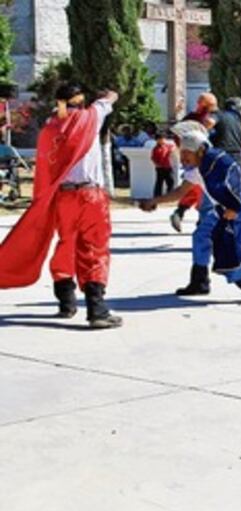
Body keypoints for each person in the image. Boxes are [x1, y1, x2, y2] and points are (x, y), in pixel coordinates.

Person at [0, 83, 122, 328]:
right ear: (81, 101)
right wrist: (106, 94)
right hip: (90, 196)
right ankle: (97, 309)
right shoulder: (91, 118)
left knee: (67, 243)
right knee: (94, 248)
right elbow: (110, 98)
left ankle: (66, 300)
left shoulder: (49, 130)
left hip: (63, 197)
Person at [138, 121, 241, 303]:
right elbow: (180, 192)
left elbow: (235, 182)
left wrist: (234, 208)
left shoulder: (219, 160)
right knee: (201, 236)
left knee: (227, 247)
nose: (182, 158)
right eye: (181, 153)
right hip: (222, 209)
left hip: (240, 209)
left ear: (200, 150)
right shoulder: (197, 167)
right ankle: (199, 282)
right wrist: (154, 201)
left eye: (186, 153)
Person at [170, 93, 218, 233]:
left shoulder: (191, 118)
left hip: (192, 157)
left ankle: (181, 212)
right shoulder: (206, 119)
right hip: (201, 157)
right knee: (203, 189)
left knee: (193, 187)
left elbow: (177, 137)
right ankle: (200, 220)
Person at [151, 132, 177, 198]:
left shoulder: (167, 146)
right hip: (160, 168)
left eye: (162, 138)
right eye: (160, 139)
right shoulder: (155, 148)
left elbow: (174, 147)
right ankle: (157, 195)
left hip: (167, 167)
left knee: (170, 181)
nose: (162, 140)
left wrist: (172, 150)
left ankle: (169, 195)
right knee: (159, 182)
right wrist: (157, 164)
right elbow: (153, 158)